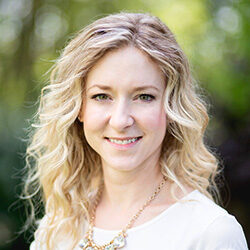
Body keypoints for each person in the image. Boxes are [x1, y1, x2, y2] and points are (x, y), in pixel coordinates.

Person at [24, 12, 248, 249]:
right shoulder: (56, 227)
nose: (121, 121)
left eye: (144, 96)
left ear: (171, 107)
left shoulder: (210, 232)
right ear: (79, 108)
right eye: (102, 96)